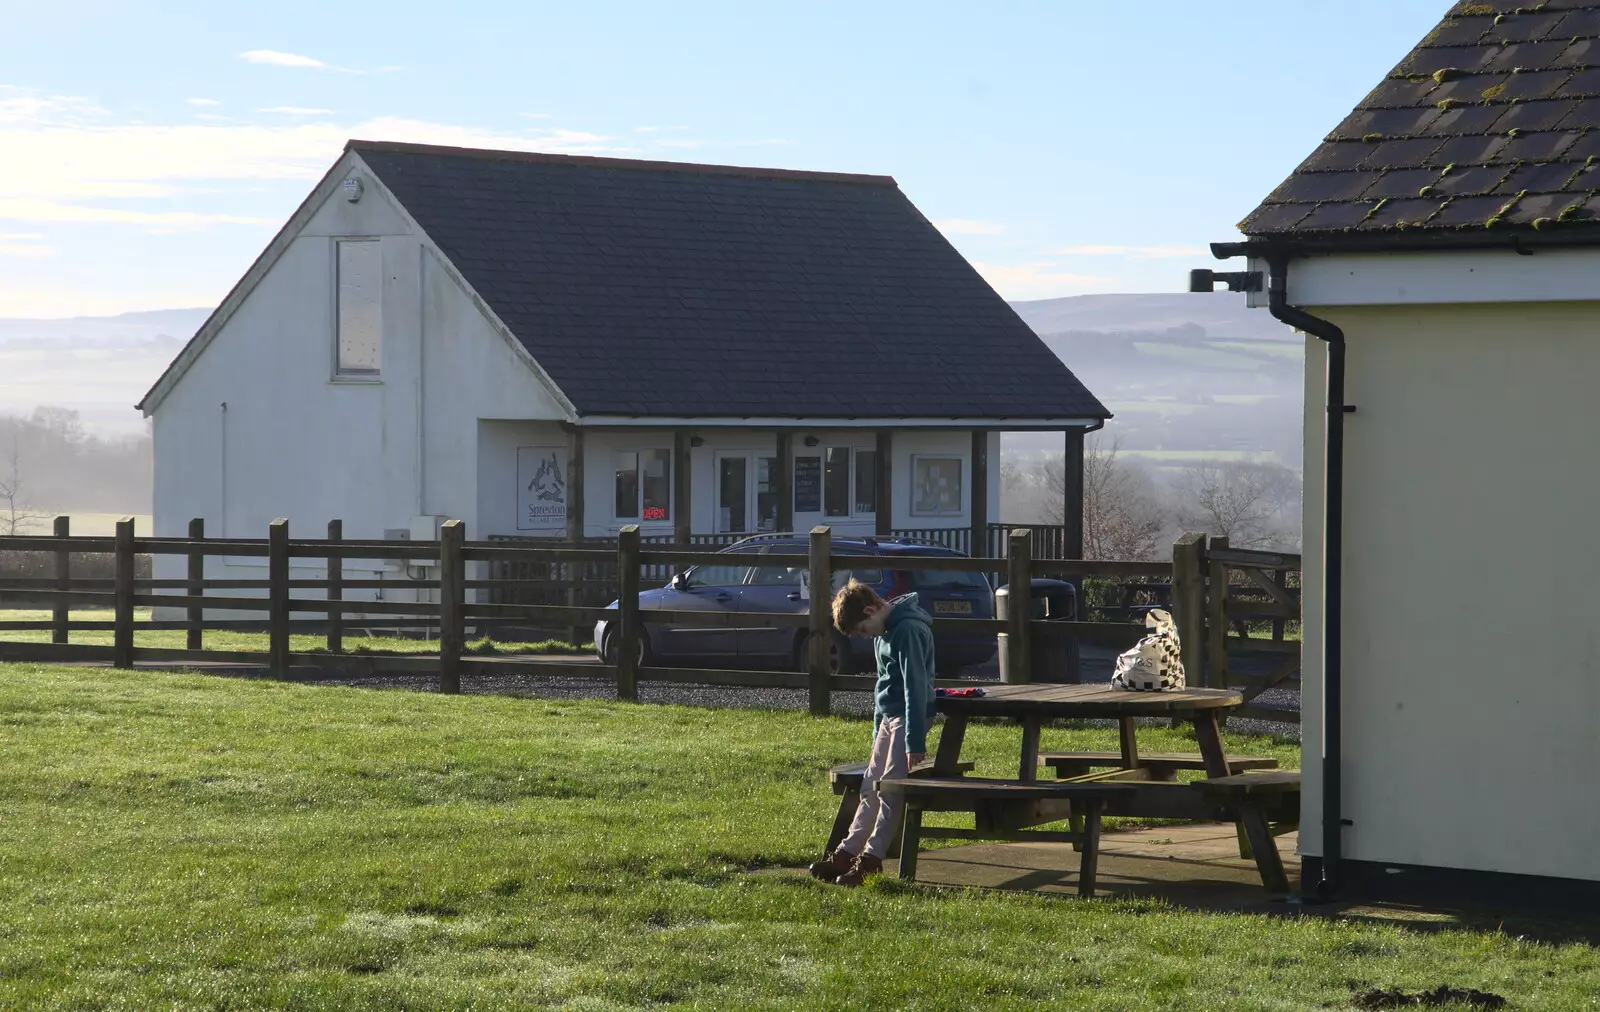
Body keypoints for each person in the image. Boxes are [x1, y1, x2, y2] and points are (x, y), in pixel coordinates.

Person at [808, 579, 937, 887]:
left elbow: (915, 687)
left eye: (864, 630)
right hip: (889, 718)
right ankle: (847, 852)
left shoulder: (907, 631)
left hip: (909, 718)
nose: (866, 637)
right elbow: (883, 688)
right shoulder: (883, 633)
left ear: (871, 610)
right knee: (870, 784)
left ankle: (871, 859)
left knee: (890, 790)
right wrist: (877, 729)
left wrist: (914, 740)